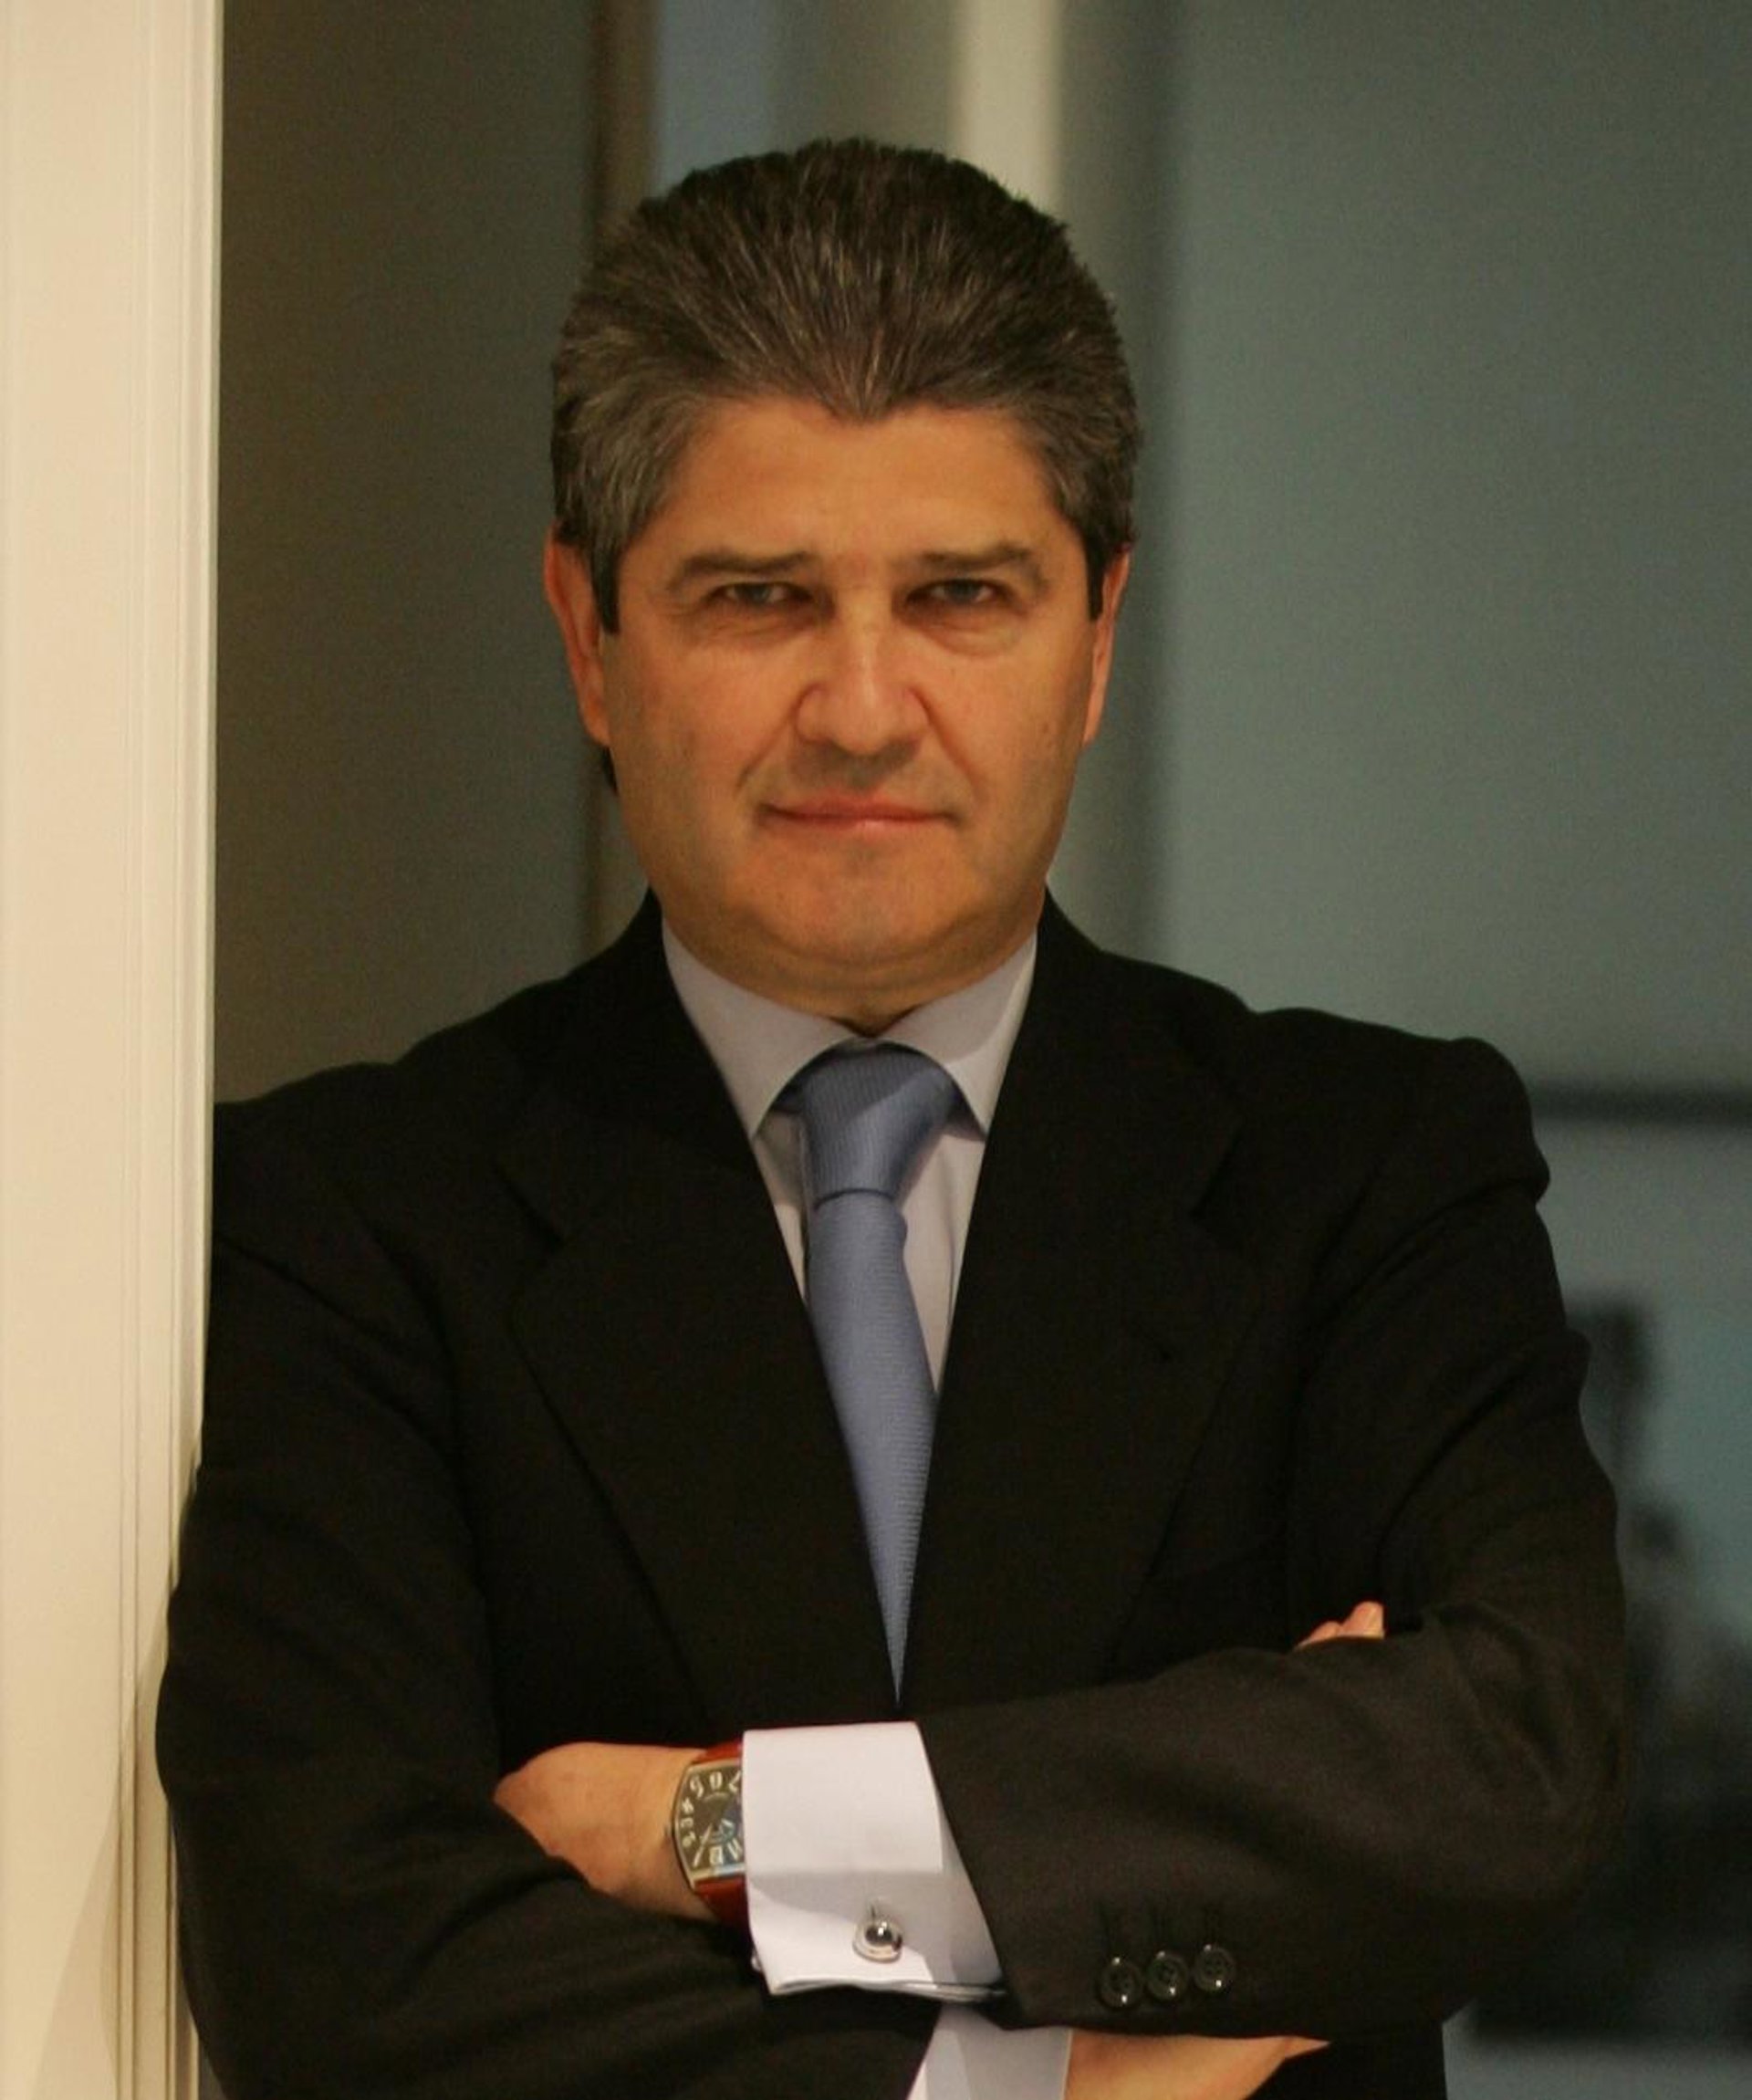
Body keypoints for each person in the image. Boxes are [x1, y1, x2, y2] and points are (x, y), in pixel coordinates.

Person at [158, 140, 1626, 2100]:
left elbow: (1508, 1763)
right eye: (758, 596)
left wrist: (723, 1822)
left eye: (960, 596)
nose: (860, 706)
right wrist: (1042, 2081)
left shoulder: (1367, 1168)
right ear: (590, 636)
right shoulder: (342, 1219)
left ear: (1097, 637)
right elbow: (339, 1959)